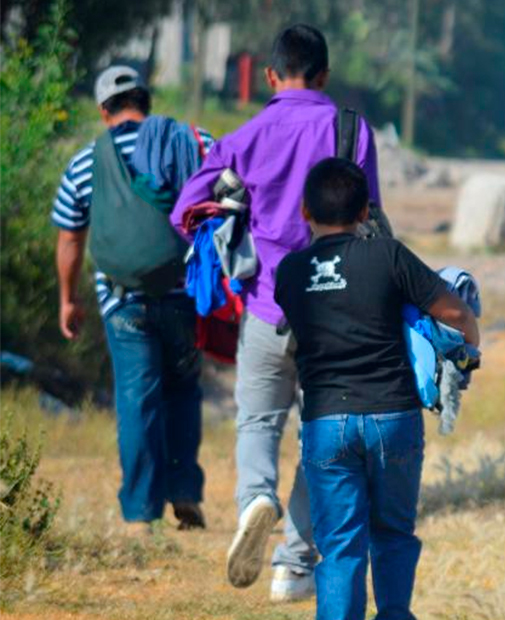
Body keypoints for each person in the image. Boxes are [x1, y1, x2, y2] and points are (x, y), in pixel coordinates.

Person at [173, 24, 382, 600]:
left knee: (258, 422)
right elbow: (373, 218)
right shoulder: (351, 130)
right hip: (336, 316)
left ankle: (254, 499)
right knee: (323, 437)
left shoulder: (244, 136)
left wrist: (234, 204)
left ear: (270, 76)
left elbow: (185, 210)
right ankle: (293, 565)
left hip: (267, 308)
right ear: (325, 75)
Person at [275, 158, 480, 620]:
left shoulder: (289, 272)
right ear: (366, 211)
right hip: (393, 418)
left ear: (305, 211)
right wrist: (469, 354)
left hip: (326, 421)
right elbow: (456, 313)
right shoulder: (387, 255)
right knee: (392, 534)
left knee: (341, 549)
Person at [53, 65, 213, 536]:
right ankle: (183, 491)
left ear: (104, 111)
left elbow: (70, 238)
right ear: (146, 100)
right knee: (183, 391)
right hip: (184, 294)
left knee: (137, 398)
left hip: (123, 300)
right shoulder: (190, 141)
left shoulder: (85, 161)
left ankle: (141, 514)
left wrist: (67, 299)